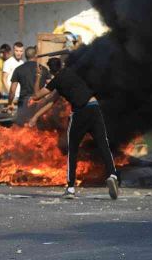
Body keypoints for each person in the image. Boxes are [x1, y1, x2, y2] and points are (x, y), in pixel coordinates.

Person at [27, 57, 119, 200]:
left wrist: (38, 76)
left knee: (73, 149)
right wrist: (35, 117)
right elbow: (51, 102)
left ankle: (70, 188)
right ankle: (112, 174)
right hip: (94, 107)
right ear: (62, 65)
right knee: (103, 144)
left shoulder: (56, 81)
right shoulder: (72, 73)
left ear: (51, 71)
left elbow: (37, 96)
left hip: (80, 112)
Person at [7, 46, 50, 111]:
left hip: (23, 103)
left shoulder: (18, 69)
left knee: (23, 121)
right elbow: (50, 86)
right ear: (36, 55)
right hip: (39, 103)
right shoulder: (43, 69)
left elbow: (12, 91)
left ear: (25, 56)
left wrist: (10, 103)